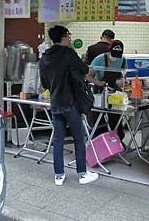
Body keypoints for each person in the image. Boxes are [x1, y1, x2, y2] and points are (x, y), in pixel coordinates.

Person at [39, 25, 99, 186]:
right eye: (69, 35)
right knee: (79, 138)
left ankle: (59, 175)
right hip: (70, 102)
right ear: (64, 36)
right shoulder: (68, 53)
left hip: (55, 103)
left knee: (58, 140)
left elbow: (44, 83)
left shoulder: (44, 57)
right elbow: (84, 69)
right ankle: (82, 173)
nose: (70, 38)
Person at [87, 40, 127, 141]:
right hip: (100, 93)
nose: (115, 58)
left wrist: (122, 82)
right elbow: (88, 76)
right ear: (109, 51)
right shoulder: (100, 59)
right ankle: (97, 142)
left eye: (118, 54)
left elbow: (124, 76)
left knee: (116, 119)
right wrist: (100, 83)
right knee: (98, 120)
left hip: (115, 94)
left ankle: (116, 142)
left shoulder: (123, 60)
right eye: (114, 54)